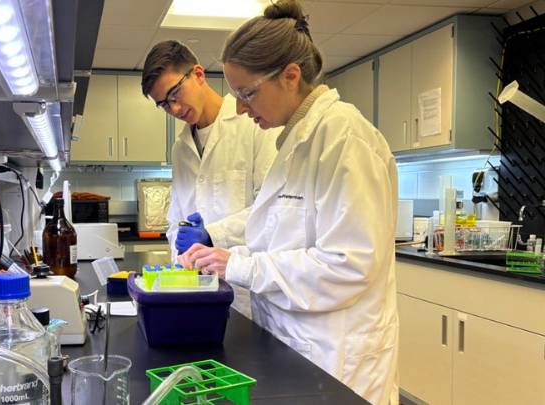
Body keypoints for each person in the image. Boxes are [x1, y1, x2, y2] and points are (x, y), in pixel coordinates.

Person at [178, 1, 399, 403]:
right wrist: (224, 253)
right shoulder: (294, 141)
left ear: (291, 76)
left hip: (337, 358)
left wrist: (240, 264)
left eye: (247, 93)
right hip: (296, 345)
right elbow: (280, 240)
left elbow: (347, 265)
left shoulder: (345, 139)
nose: (241, 109)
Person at [141, 40, 278, 319]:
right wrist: (177, 267)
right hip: (194, 289)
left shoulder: (254, 126)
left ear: (199, 75)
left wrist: (212, 234)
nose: (175, 109)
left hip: (246, 292)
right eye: (164, 104)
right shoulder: (180, 147)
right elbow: (175, 220)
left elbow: (271, 210)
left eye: (175, 93)